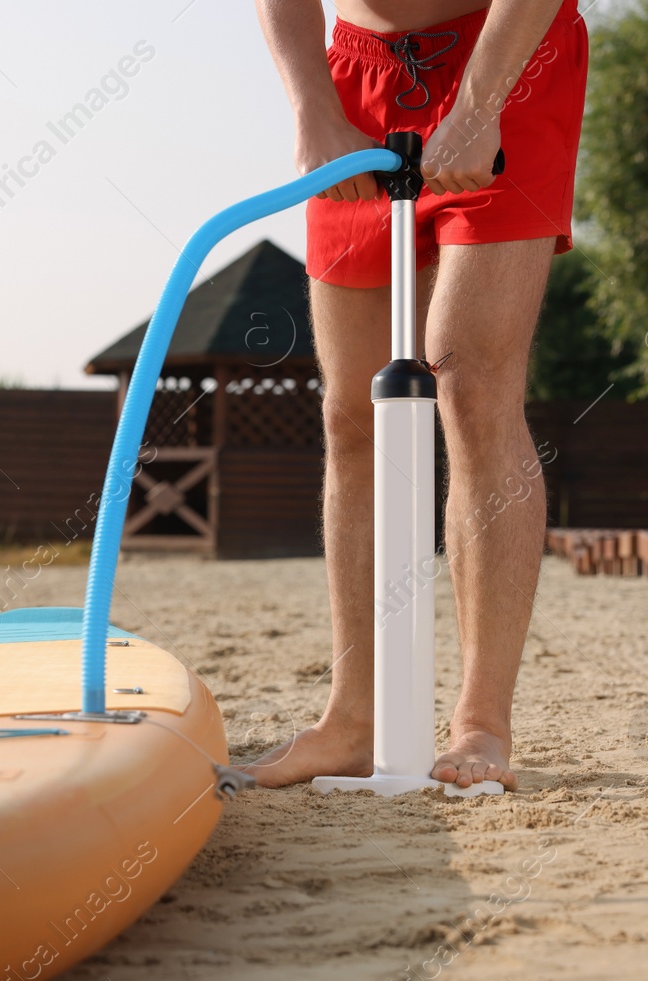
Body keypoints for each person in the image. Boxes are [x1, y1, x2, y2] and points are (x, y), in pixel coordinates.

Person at [241, 0, 587, 790]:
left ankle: (481, 723)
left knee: (467, 377)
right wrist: (312, 108)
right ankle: (353, 720)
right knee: (351, 412)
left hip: (507, 51)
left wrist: (479, 101)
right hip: (357, 75)